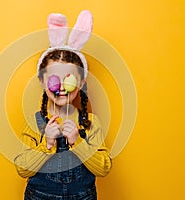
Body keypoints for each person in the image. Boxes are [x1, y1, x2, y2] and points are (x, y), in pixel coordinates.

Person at [14, 10, 112, 200]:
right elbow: (22, 169)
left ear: (81, 82)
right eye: (53, 79)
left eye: (69, 79)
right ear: (42, 81)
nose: (61, 87)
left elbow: (104, 167)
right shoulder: (35, 123)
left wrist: (78, 142)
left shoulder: (90, 123)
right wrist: (46, 144)